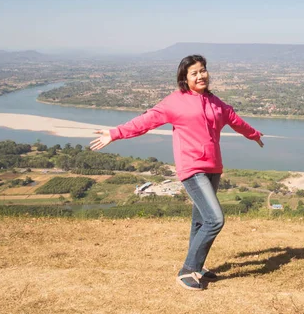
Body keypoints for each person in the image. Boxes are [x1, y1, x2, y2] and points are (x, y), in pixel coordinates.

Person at [89, 55, 264, 291]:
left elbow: (234, 120)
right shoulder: (175, 102)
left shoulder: (214, 102)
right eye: (194, 73)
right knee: (215, 220)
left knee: (200, 221)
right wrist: (115, 133)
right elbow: (146, 121)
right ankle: (186, 271)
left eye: (203, 70)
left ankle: (197, 268)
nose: (201, 75)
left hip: (214, 167)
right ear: (184, 78)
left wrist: (253, 134)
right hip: (191, 168)